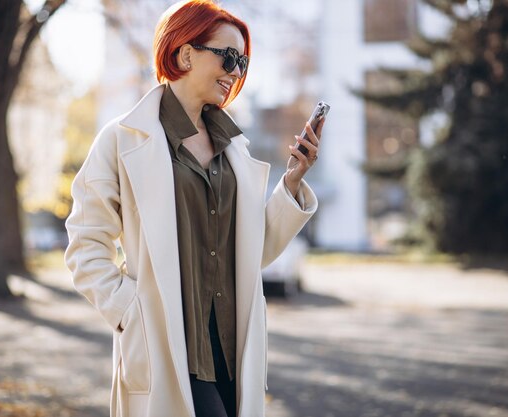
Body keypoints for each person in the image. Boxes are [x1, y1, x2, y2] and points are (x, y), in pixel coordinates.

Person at [64, 1, 322, 416]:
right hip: (166, 350)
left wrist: (291, 182)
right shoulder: (122, 140)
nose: (237, 72)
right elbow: (85, 247)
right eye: (229, 57)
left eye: (244, 62)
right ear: (185, 53)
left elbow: (253, 253)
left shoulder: (234, 150)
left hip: (231, 352)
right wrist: (133, 313)